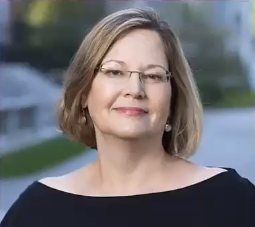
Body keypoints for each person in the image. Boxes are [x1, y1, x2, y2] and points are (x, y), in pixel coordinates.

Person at [1, 8, 254, 227]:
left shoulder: (232, 200)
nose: (135, 89)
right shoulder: (37, 211)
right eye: (114, 72)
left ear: (174, 96)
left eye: (153, 76)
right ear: (84, 92)